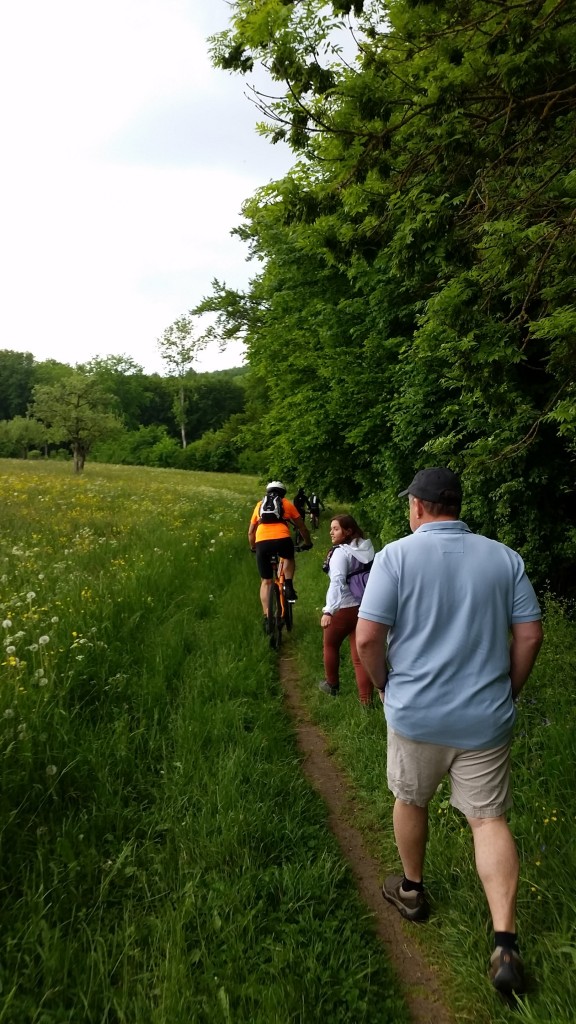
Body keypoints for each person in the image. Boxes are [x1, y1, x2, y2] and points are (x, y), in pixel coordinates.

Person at [355, 467, 543, 998]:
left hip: (417, 715)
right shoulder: (503, 558)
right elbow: (529, 635)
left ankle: (412, 891)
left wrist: (388, 689)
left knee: (411, 799)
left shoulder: (395, 556)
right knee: (488, 820)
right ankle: (505, 942)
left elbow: (368, 638)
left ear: (417, 506)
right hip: (485, 717)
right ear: (457, 506)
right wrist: (509, 691)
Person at [319, 515, 375, 705]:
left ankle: (331, 684)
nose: (331, 532)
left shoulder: (340, 553)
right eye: (331, 528)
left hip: (343, 609)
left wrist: (328, 611)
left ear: (348, 531)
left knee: (330, 645)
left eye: (335, 529)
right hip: (363, 607)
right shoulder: (365, 547)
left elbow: (337, 582)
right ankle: (366, 701)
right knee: (359, 657)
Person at [248, 481, 312, 631]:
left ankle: (266, 617)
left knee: (266, 581)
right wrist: (307, 542)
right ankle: (288, 584)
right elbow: (301, 526)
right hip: (282, 539)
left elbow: (250, 532)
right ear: (283, 493)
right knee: (288, 558)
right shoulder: (286, 504)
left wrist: (253, 547)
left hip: (262, 542)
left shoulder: (259, 505)